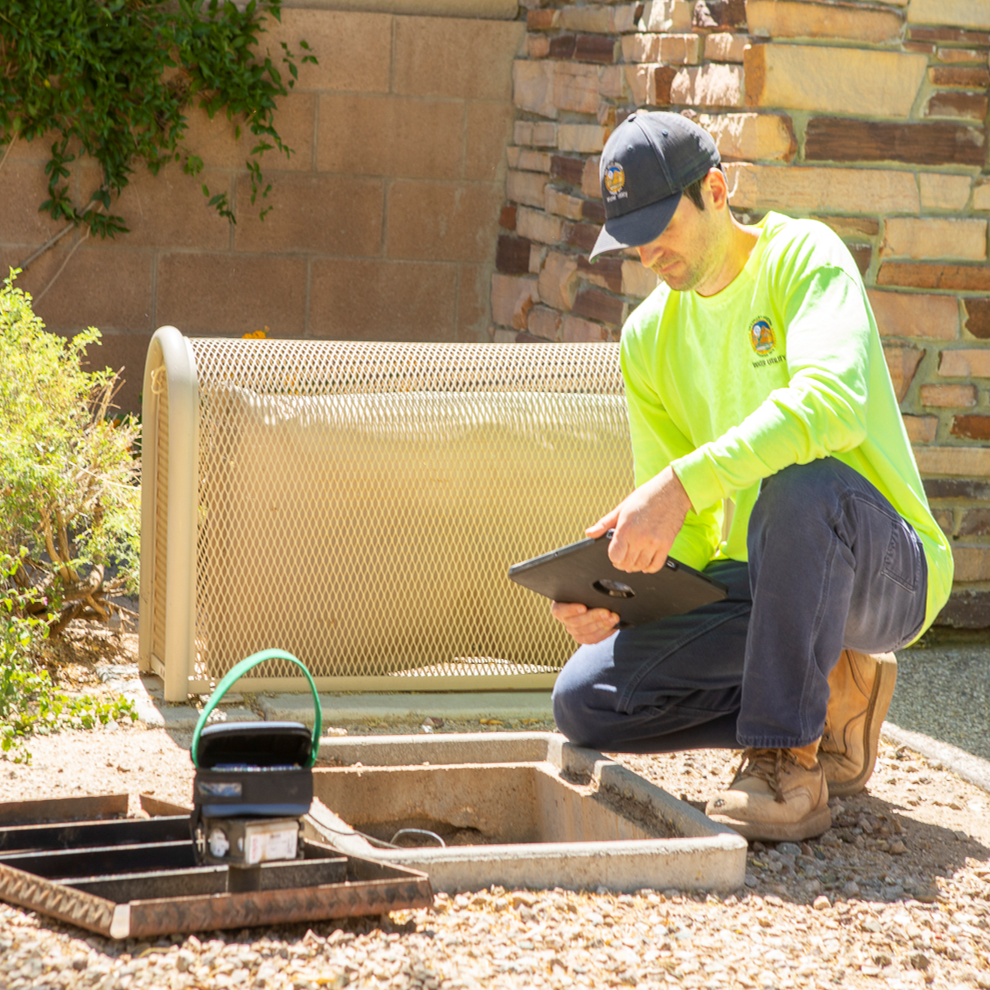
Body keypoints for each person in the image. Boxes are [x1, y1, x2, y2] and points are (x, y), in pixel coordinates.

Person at [549, 111, 954, 843]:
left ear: (714, 188)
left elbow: (832, 408)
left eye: (657, 224)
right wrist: (625, 598)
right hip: (773, 578)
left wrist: (679, 484)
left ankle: (787, 761)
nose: (645, 251)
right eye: (629, 236)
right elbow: (697, 538)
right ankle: (829, 693)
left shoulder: (806, 257)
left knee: (796, 488)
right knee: (587, 698)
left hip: (887, 564)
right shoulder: (647, 340)